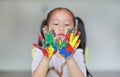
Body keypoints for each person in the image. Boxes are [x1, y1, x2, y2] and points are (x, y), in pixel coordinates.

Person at [32, 7, 92, 77]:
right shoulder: (40, 53)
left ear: (74, 31)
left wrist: (69, 58)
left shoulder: (77, 53)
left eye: (66, 24)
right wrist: (46, 57)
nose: (61, 28)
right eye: (56, 24)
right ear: (46, 29)